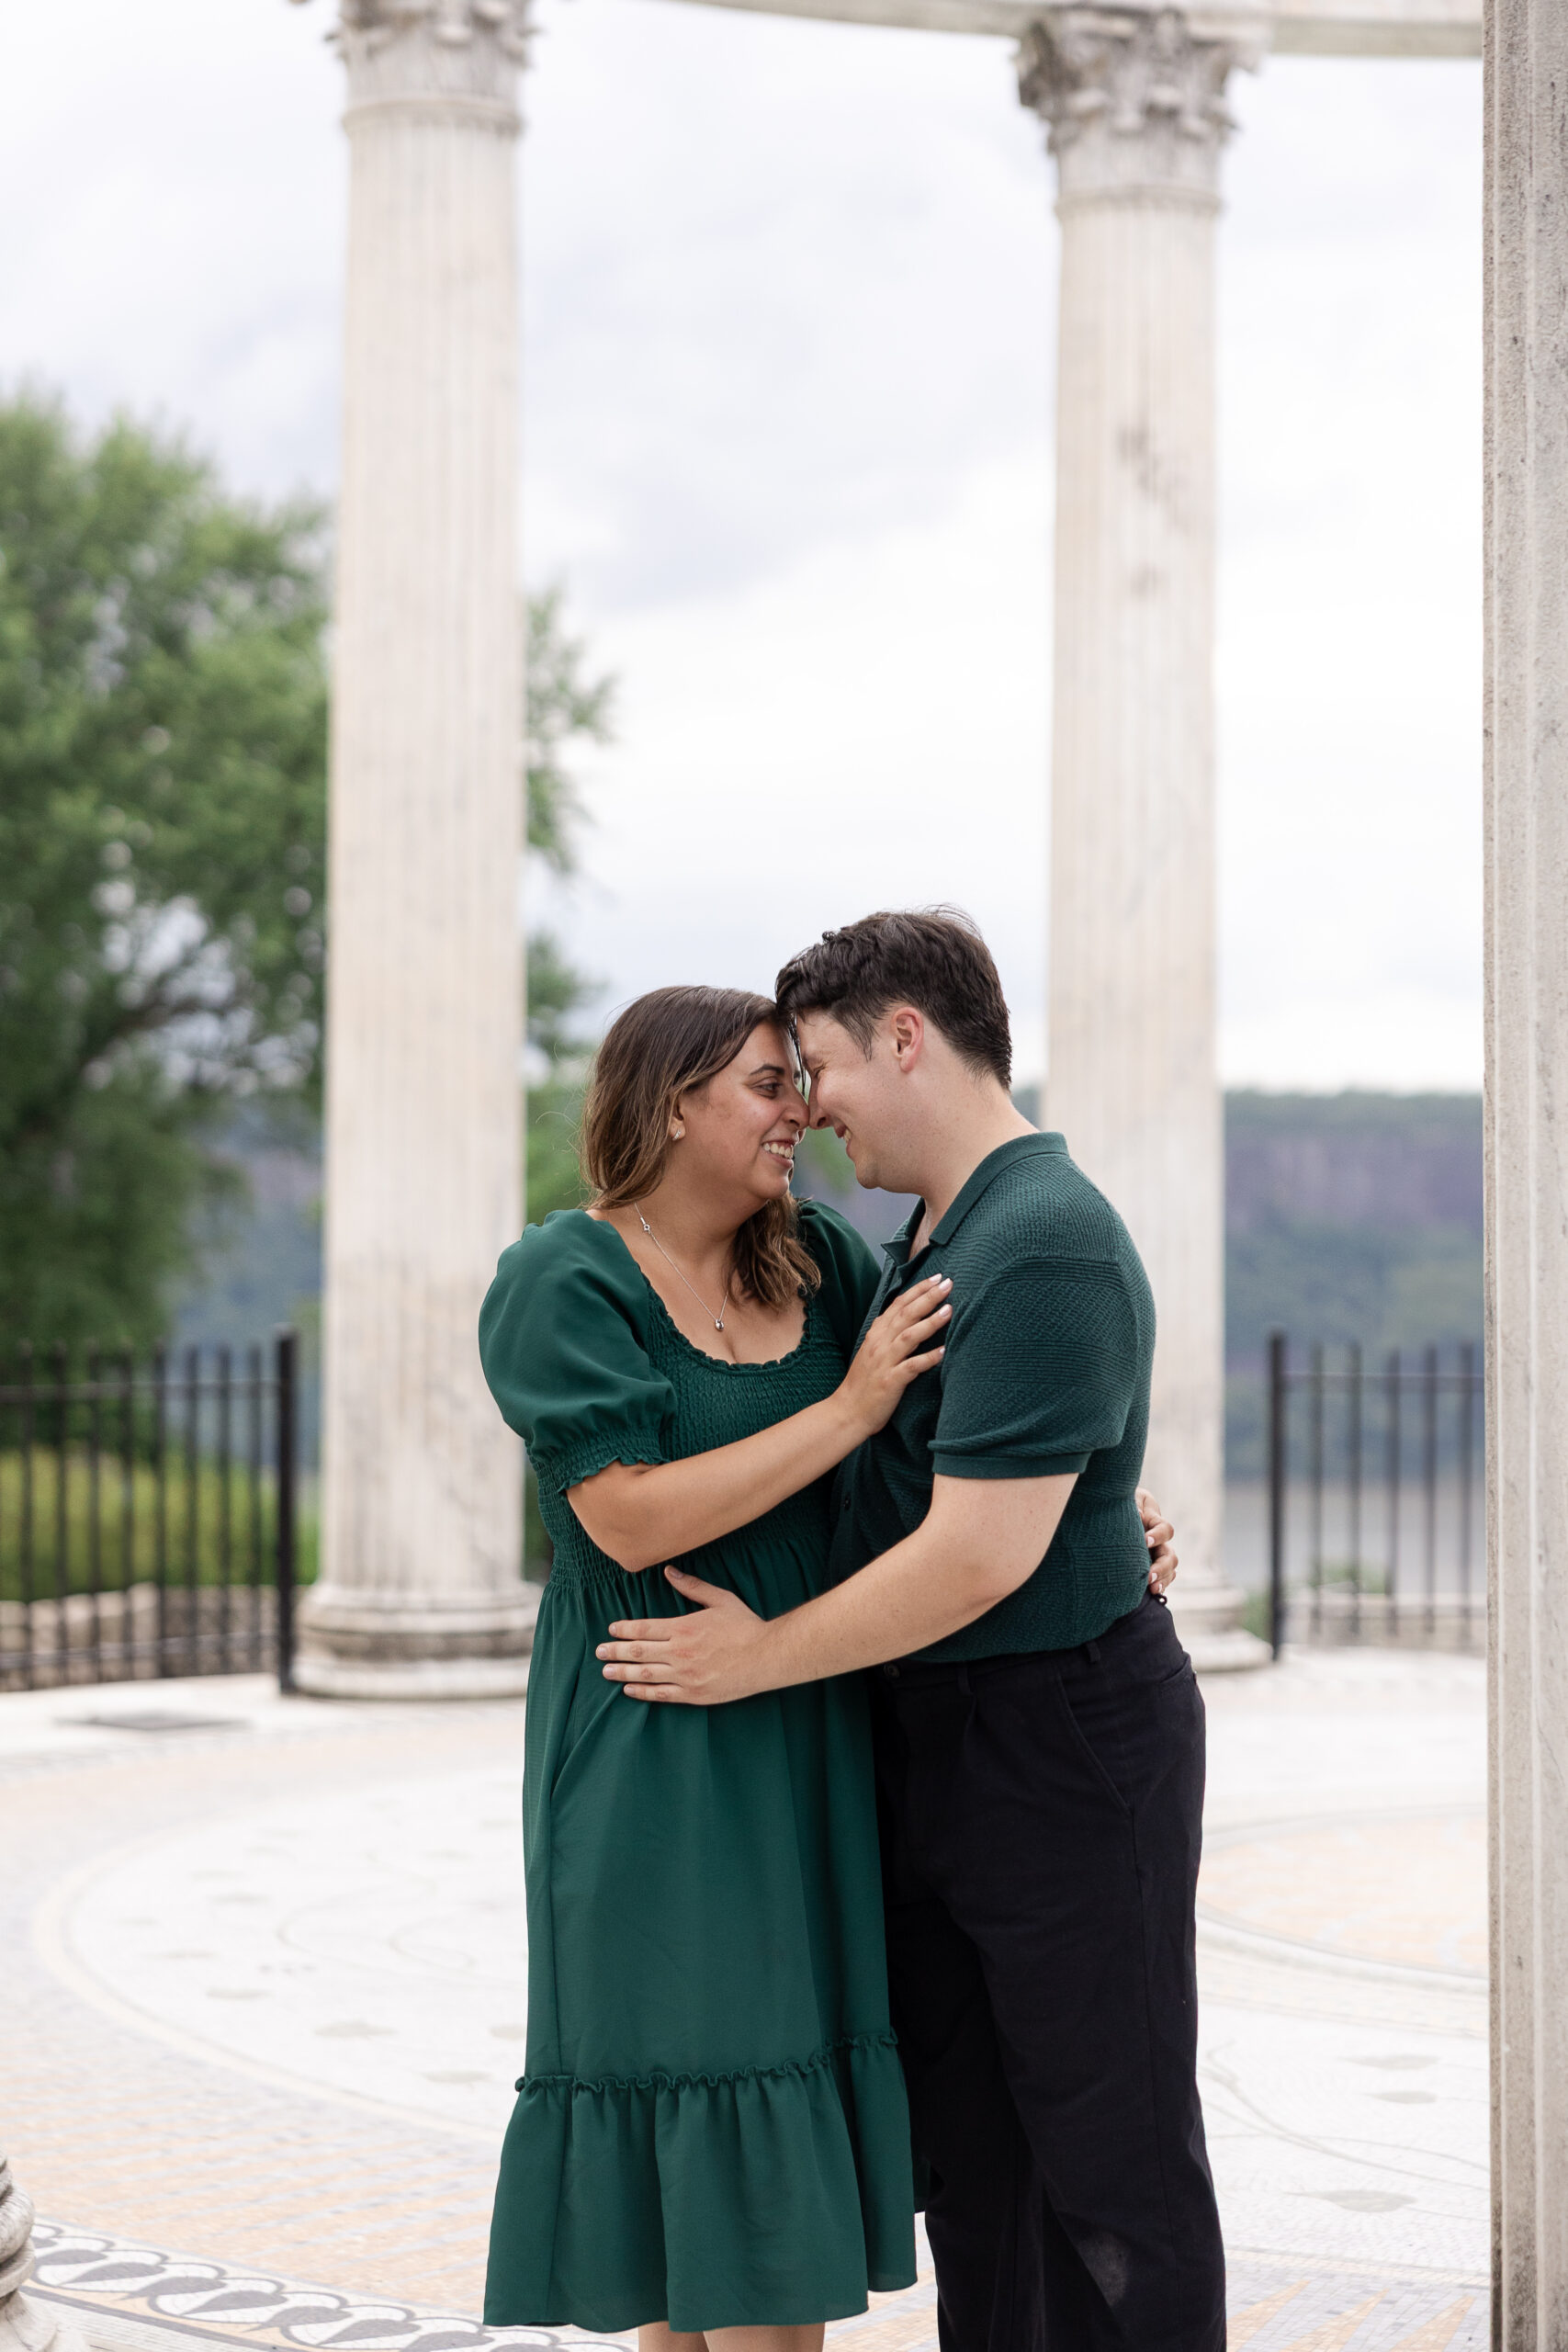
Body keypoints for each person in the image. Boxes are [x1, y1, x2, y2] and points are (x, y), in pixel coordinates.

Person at [478, 979, 1179, 2352]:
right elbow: (618, 1513)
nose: (800, 1108)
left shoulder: (827, 1266)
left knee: (767, 2145)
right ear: (672, 1102)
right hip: (659, 1734)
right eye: (763, 1082)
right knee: (702, 2150)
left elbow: (961, 1449)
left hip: (819, 1729)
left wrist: (1100, 1520)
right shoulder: (562, 1277)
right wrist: (850, 1403)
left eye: (803, 1079)